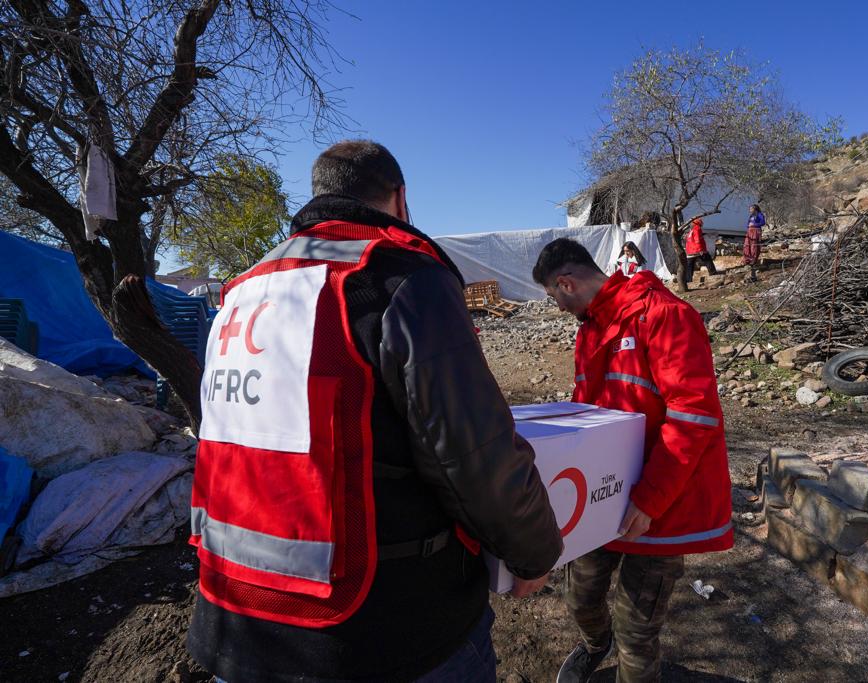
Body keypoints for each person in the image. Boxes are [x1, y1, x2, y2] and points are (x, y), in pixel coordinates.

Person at [187, 140, 562, 683]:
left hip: (234, 621)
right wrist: (535, 552)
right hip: (379, 631)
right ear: (400, 198)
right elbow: (471, 453)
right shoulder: (397, 277)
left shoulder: (244, 290)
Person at [532, 239, 733, 683]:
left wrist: (649, 499)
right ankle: (595, 645)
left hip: (659, 505)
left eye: (552, 296)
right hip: (602, 500)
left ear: (566, 283)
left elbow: (693, 416)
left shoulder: (664, 316)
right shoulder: (591, 328)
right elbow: (587, 414)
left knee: (637, 630)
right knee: (580, 597)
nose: (558, 308)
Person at [681, 217, 717, 288]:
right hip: (697, 249)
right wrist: (701, 250)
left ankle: (688, 279)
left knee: (689, 265)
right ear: (699, 223)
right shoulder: (697, 228)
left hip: (690, 251)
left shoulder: (691, 230)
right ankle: (713, 273)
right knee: (708, 259)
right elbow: (698, 240)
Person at [743, 204, 766, 282]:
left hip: (756, 231)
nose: (750, 210)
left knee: (754, 246)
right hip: (750, 231)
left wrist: (755, 225)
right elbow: (748, 223)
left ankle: (753, 261)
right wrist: (748, 226)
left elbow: (763, 222)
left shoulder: (759, 214)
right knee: (747, 245)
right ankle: (747, 260)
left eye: (751, 209)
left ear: (755, 209)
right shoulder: (751, 216)